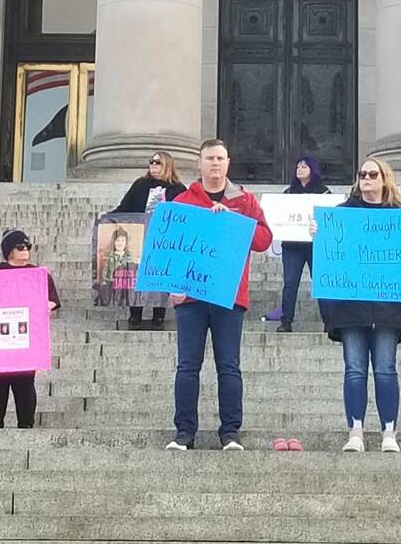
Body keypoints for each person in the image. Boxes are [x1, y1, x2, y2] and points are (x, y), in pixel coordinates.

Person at [167, 138, 274, 452]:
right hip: (191, 298)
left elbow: (264, 240)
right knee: (188, 366)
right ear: (199, 164)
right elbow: (170, 248)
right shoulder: (184, 202)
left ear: (228, 163)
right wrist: (172, 287)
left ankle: (230, 432)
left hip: (229, 296)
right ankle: (184, 432)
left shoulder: (245, 200)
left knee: (229, 366)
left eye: (220, 158)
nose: (215, 164)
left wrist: (233, 222)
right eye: (209, 158)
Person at [318, 157, 401, 452]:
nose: (366, 178)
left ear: (385, 179)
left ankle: (389, 433)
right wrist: (320, 236)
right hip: (350, 306)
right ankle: (355, 430)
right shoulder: (342, 215)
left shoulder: (399, 216)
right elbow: (330, 254)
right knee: (354, 369)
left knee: (385, 369)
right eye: (362, 174)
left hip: (387, 305)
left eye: (373, 174)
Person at [0, 229, 59, 429]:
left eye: (28, 247)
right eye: (20, 247)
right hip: (0, 336)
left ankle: (26, 424)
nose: (26, 251)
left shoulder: (39, 274)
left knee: (25, 383)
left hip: (26, 336)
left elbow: (53, 302)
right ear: (9, 250)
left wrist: (40, 308)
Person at [114, 150, 181, 329]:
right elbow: (125, 206)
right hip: (139, 235)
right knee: (137, 273)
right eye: (151, 161)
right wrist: (109, 215)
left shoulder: (178, 189)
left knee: (161, 275)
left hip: (164, 239)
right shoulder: (140, 185)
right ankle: (135, 313)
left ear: (167, 164)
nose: (152, 165)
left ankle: (159, 314)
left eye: (157, 162)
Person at [264, 156, 328, 333]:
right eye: (298, 166)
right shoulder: (288, 193)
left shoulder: (324, 193)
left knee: (321, 282)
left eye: (304, 166)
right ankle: (286, 320)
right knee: (290, 283)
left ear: (312, 170)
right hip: (292, 245)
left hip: (315, 245)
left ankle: (328, 320)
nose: (300, 169)